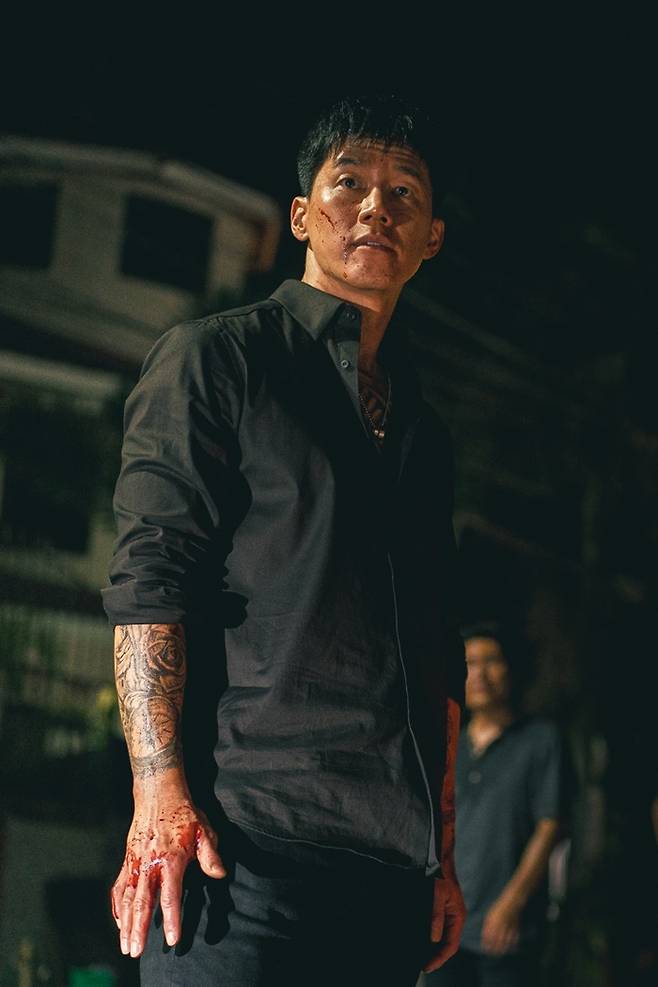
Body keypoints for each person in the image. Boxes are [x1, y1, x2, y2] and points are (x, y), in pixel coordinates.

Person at [102, 94, 467, 986]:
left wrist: (444, 852)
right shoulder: (218, 359)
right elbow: (152, 577)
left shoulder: (424, 431)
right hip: (237, 854)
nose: (376, 207)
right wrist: (158, 795)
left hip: (389, 873)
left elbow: (437, 651)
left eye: (404, 193)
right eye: (350, 184)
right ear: (302, 216)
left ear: (431, 239)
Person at [425, 621, 563, 986]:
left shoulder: (540, 739)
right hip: (448, 923)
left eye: (492, 661)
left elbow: (550, 825)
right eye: (470, 663)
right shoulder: (450, 742)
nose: (480, 674)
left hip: (505, 926)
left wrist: (511, 904)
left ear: (511, 668)